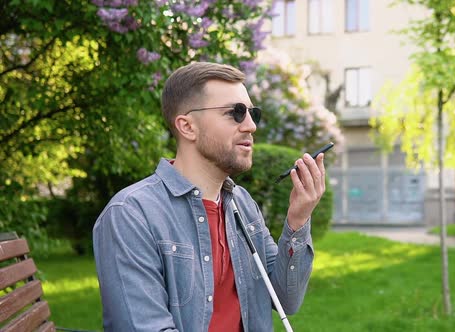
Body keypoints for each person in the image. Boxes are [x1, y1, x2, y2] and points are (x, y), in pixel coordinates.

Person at [92, 62, 326, 332]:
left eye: (252, 113)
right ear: (187, 126)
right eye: (235, 113)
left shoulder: (242, 203)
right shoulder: (131, 214)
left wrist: (298, 219)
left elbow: (286, 299)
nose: (251, 126)